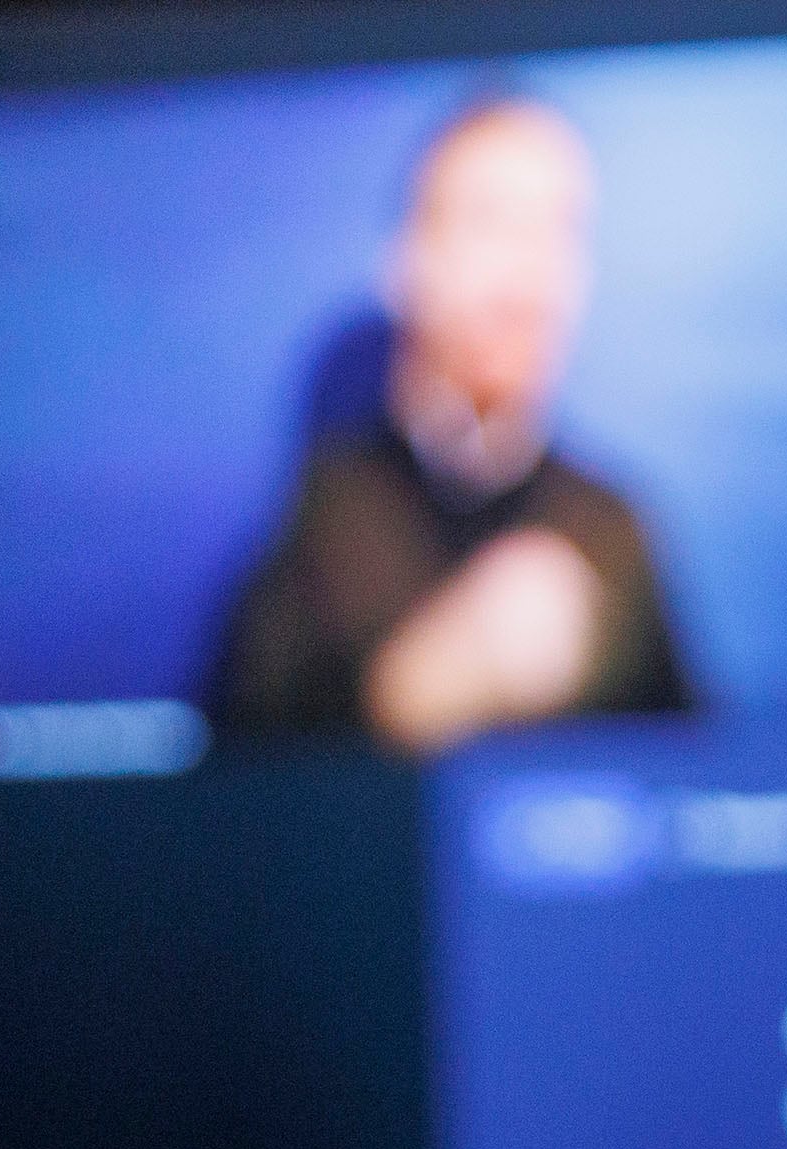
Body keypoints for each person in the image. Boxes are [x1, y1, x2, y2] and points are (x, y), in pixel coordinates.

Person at [212, 97, 694, 756]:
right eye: (491, 223)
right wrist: (410, 692)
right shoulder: (327, 518)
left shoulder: (614, 529)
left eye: (559, 229)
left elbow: (701, 790)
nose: (528, 276)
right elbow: (239, 791)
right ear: (410, 259)